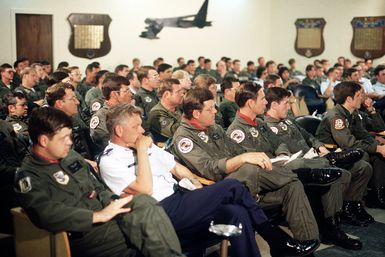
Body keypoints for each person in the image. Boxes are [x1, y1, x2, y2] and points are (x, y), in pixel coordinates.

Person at [99, 103, 319, 257]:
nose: (141, 130)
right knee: (233, 186)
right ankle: (276, 240)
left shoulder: (144, 145)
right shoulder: (110, 161)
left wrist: (195, 185)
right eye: (136, 126)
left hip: (182, 198)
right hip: (158, 212)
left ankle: (271, 245)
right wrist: (141, 151)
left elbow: (178, 169)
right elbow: (144, 189)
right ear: (119, 130)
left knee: (237, 213)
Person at [14, 107, 185, 257]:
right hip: (86, 231)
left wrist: (113, 201)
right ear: (44, 140)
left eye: (70, 136)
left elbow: (97, 187)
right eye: (64, 138)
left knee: (144, 201)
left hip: (108, 215)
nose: (70, 142)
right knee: (149, 232)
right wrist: (97, 216)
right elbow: (46, 214)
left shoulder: (71, 156)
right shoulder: (29, 175)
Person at [172, 87, 320, 242]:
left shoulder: (214, 128)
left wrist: (251, 156)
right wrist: (244, 158)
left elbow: (238, 150)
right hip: (218, 189)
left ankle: (307, 243)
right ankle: (303, 174)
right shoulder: (184, 138)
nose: (216, 111)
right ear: (196, 114)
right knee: (250, 168)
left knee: (292, 186)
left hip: (246, 185)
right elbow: (210, 170)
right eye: (210, 109)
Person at [263, 87, 373, 226]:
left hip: (315, 157)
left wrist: (320, 146)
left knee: (363, 167)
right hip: (301, 165)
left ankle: (350, 207)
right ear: (273, 105)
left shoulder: (289, 120)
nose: (289, 106)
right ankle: (332, 220)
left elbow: (308, 136)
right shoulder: (266, 126)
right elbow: (282, 155)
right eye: (286, 103)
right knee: (340, 174)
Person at [316, 81, 385, 209]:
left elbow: (363, 134)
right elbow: (348, 144)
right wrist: (377, 147)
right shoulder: (336, 117)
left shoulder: (352, 113)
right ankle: (350, 204)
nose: (363, 98)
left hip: (346, 151)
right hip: (333, 154)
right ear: (349, 99)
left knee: (378, 157)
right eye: (359, 95)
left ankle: (377, 195)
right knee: (364, 157)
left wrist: (378, 146)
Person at [90, 76, 133, 154]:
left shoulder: (127, 111)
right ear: (114, 94)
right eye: (126, 91)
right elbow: (105, 143)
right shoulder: (101, 116)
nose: (131, 94)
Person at [148, 79, 183, 143]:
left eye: (181, 92)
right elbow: (175, 132)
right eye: (178, 92)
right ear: (166, 94)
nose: (182, 94)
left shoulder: (179, 107)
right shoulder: (156, 114)